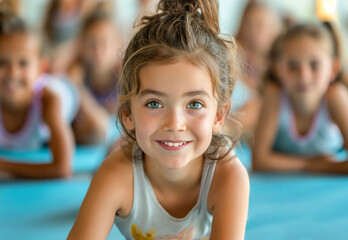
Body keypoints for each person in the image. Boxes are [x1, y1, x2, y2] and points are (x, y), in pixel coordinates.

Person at [68, 0, 249, 239]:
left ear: (218, 116)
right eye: (154, 103)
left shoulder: (227, 175)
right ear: (128, 115)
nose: (174, 124)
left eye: (194, 104)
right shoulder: (117, 174)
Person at [252, 23, 348, 174]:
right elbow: (259, 161)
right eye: (293, 66)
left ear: (333, 69)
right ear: (278, 69)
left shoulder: (335, 96)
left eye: (314, 65)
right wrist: (313, 165)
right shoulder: (274, 95)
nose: (303, 76)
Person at [0, 12, 79, 179]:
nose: (13, 73)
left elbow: (63, 168)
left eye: (23, 63)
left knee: (93, 130)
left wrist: (4, 165)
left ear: (41, 68)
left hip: (67, 91)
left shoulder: (49, 99)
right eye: (2, 63)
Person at [68, 1, 122, 145]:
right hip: (91, 133)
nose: (98, 52)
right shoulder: (77, 74)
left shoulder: (125, 77)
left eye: (104, 44)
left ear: (117, 44)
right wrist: (77, 88)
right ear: (82, 46)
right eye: (92, 44)